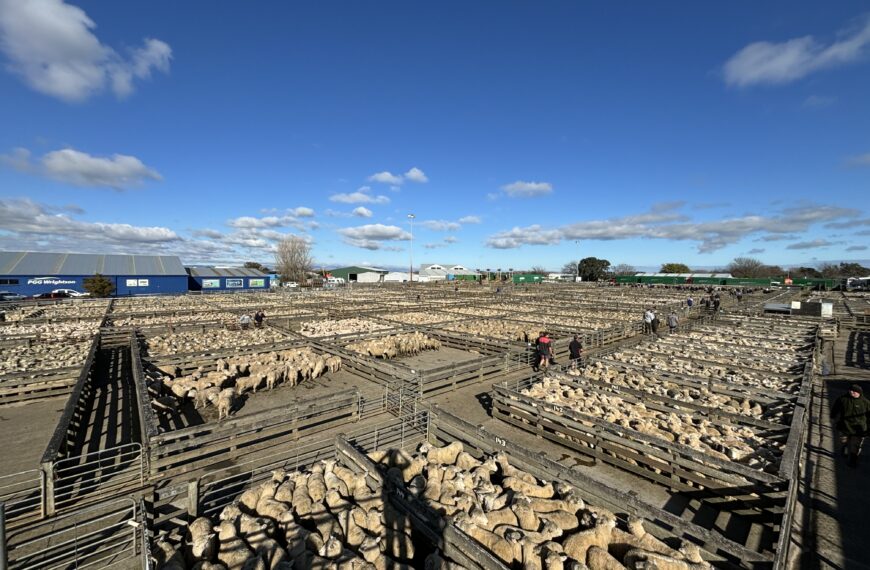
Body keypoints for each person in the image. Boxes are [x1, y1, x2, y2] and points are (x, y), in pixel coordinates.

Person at [831, 384, 870, 467]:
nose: (852, 392)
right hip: (844, 426)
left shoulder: (865, 402)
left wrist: (868, 429)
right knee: (843, 441)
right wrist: (832, 417)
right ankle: (844, 449)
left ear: (859, 393)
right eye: (850, 390)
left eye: (854, 391)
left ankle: (853, 460)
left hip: (859, 428)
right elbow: (835, 408)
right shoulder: (842, 399)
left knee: (855, 446)